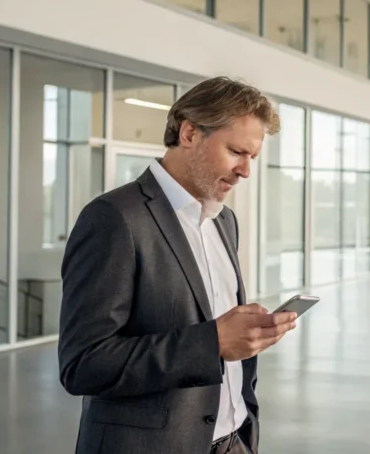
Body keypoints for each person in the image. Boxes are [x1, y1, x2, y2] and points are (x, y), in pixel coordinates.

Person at [58, 76, 298, 454]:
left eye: (252, 156)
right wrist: (214, 342)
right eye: (236, 151)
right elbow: (84, 364)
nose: (245, 171)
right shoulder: (114, 218)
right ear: (189, 133)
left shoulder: (224, 221)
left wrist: (246, 335)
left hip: (233, 440)